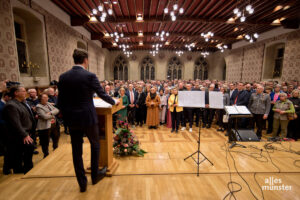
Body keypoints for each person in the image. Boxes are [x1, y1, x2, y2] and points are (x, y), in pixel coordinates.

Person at [57, 49, 119, 192]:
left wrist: (66, 115)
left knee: (76, 150)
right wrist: (113, 101)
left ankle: (82, 183)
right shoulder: (89, 75)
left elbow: (60, 101)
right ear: (85, 60)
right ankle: (95, 176)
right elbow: (101, 93)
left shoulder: (63, 77)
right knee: (95, 144)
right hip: (88, 117)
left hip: (72, 119)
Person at [3, 86, 35, 174]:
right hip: (18, 135)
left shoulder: (21, 103)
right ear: (16, 93)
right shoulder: (11, 105)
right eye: (23, 91)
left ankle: (27, 170)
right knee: (20, 154)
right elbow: (15, 123)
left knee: (26, 152)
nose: (26, 93)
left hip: (25, 133)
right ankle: (23, 172)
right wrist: (24, 134)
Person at [36, 93, 60, 158]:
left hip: (53, 125)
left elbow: (57, 110)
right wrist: (52, 114)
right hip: (45, 127)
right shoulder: (38, 106)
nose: (47, 98)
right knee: (45, 142)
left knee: (56, 138)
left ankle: (56, 150)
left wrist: (50, 112)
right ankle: (46, 154)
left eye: (47, 97)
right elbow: (45, 117)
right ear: (41, 99)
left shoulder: (48, 104)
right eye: (45, 97)